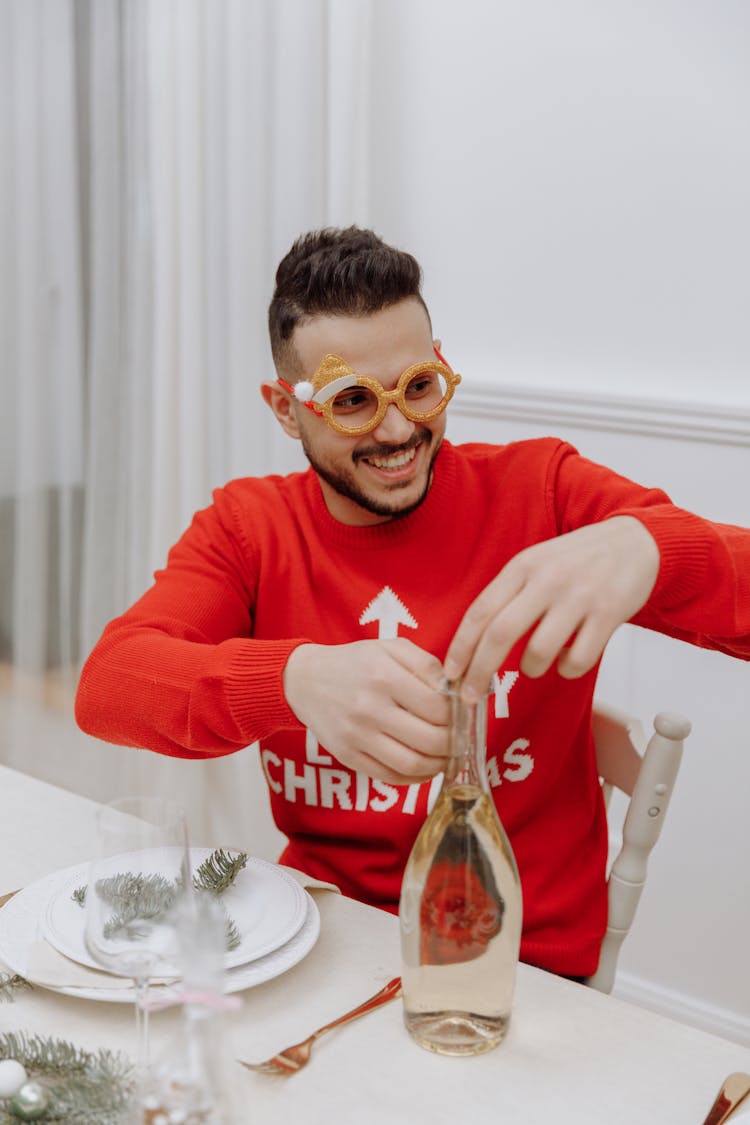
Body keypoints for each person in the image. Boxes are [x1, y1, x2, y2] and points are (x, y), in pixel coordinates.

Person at [75, 226, 750, 980]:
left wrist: (649, 548)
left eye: (420, 388)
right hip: (321, 943)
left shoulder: (543, 490)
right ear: (284, 408)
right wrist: (295, 680)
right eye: (353, 401)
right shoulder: (250, 528)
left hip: (523, 968)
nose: (398, 430)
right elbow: (111, 685)